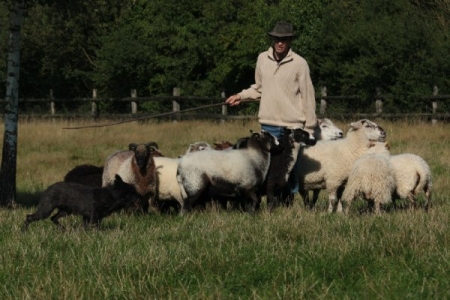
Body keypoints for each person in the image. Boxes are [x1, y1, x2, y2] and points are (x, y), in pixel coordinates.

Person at [225, 20, 317, 203]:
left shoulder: (300, 64)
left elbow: (308, 96)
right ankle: (270, 202)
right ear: (272, 39)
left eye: (284, 39)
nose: (280, 42)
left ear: (290, 40)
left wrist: (310, 127)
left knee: (289, 167)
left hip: (292, 126)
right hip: (268, 124)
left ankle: (288, 202)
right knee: (267, 167)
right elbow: (259, 88)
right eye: (277, 39)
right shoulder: (262, 59)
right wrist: (240, 96)